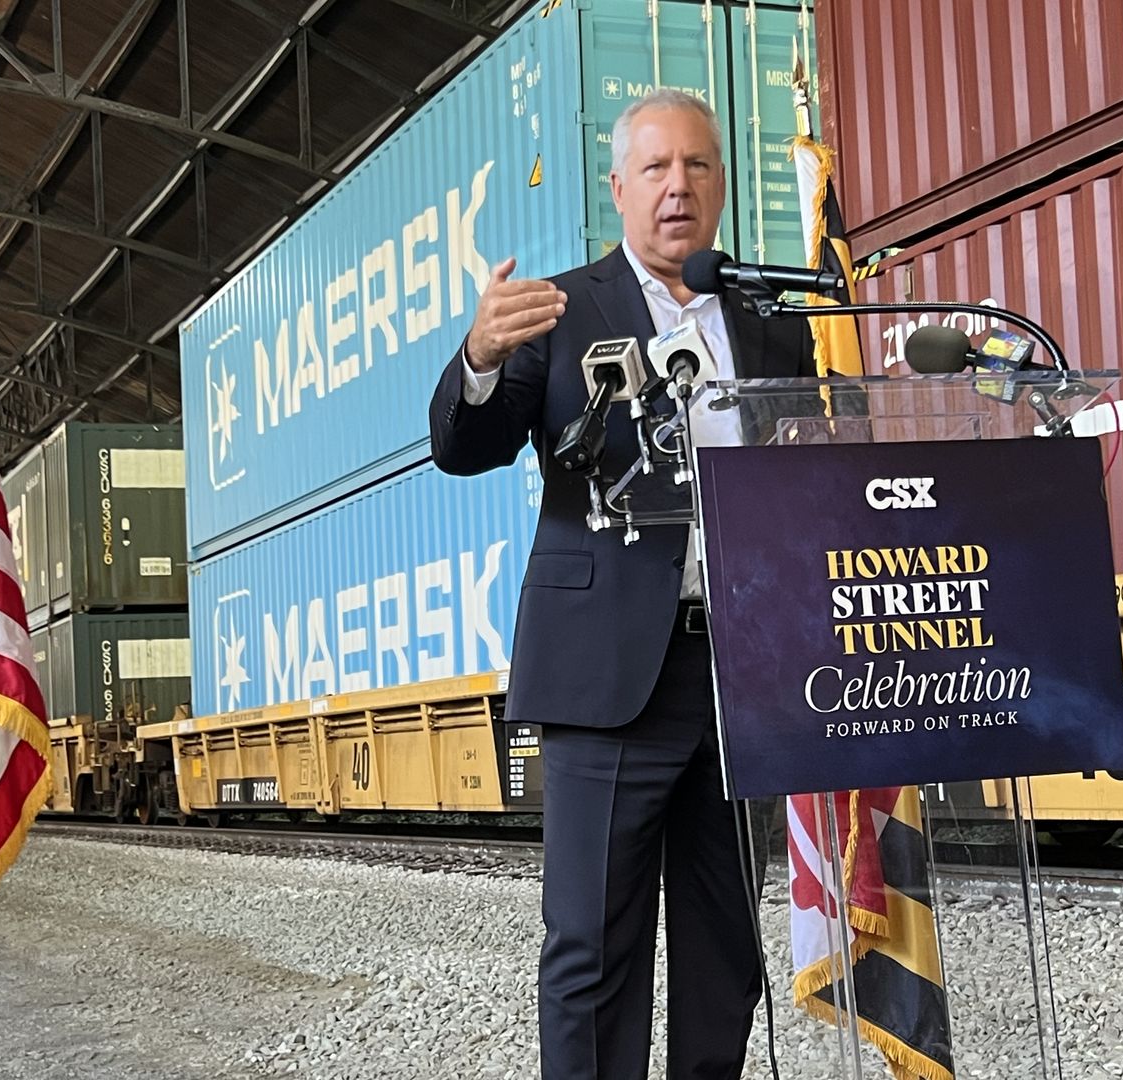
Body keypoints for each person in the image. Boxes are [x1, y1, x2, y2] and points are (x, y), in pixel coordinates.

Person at [427, 89, 818, 1079]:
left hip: (740, 679)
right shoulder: (556, 313)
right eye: (655, 168)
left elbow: (810, 474)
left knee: (725, 955)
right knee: (593, 954)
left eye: (696, 166)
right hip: (606, 680)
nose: (677, 186)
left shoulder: (772, 326)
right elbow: (461, 445)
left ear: (721, 185)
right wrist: (478, 355)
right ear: (618, 188)